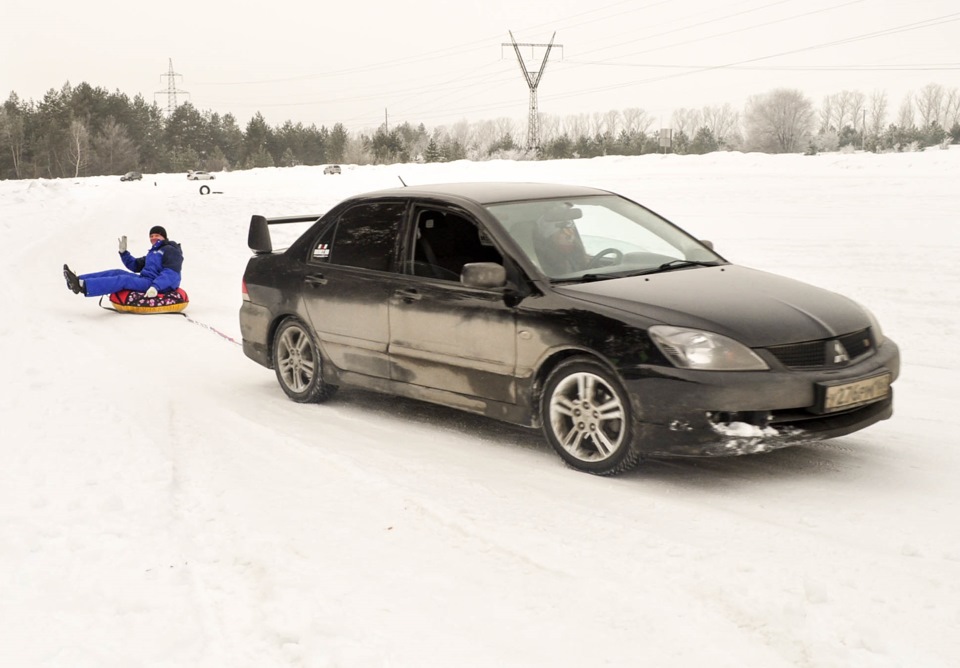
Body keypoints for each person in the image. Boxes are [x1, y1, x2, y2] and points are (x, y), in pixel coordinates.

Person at [64, 226, 183, 298]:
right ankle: (77, 280)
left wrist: (155, 287)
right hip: (146, 280)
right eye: (151, 236)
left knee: (124, 280)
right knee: (116, 272)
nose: (153, 238)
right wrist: (124, 252)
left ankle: (83, 286)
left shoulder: (170, 250)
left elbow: (171, 273)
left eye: (156, 235)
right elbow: (135, 265)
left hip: (159, 285)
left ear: (164, 237)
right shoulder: (153, 252)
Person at [532, 205, 590, 275]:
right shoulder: (543, 264)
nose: (570, 236)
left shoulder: (578, 255)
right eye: (562, 232)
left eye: (570, 230)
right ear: (550, 238)